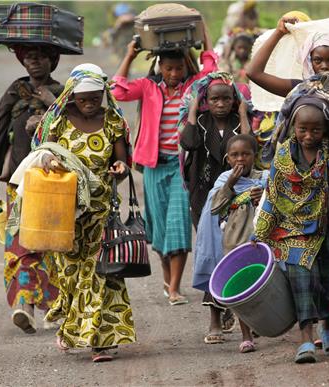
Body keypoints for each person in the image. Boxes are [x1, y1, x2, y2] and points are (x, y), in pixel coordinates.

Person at [254, 92, 329, 364]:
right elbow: (272, 196)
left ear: (327, 129)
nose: (308, 135)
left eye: (316, 129)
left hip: (328, 229)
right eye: (302, 129)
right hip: (292, 231)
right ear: (293, 127)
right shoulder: (283, 156)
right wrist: (259, 233)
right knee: (303, 283)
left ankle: (328, 327)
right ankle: (306, 339)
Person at [34, 63, 136, 362]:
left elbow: (121, 163)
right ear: (72, 98)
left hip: (101, 211)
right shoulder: (59, 123)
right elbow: (41, 155)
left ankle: (100, 342)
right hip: (64, 211)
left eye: (95, 97)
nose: (90, 103)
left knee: (101, 273)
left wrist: (120, 168)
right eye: (83, 99)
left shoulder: (113, 121)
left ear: (103, 95)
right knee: (70, 274)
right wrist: (50, 161)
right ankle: (71, 326)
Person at [112, 25, 218, 305]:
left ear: (185, 66)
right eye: (168, 68)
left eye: (178, 68)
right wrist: (130, 55)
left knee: (178, 224)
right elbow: (118, 91)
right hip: (153, 165)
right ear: (160, 66)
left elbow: (212, 70)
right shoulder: (148, 88)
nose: (174, 74)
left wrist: (205, 39)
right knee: (158, 231)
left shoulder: (194, 87)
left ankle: (174, 288)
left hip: (183, 166)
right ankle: (166, 274)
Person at [0, 44, 63, 334]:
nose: (35, 62)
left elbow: (74, 130)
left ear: (52, 60)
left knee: (55, 247)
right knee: (21, 246)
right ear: (23, 61)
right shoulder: (13, 93)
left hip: (56, 186)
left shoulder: (63, 93)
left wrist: (51, 102)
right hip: (19, 186)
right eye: (29, 57)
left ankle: (57, 306)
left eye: (41, 57)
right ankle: (24, 307)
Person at [193, 134, 267, 351]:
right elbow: (214, 207)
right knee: (241, 288)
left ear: (255, 156)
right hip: (234, 242)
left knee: (260, 286)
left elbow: (276, 203)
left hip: (260, 241)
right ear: (227, 159)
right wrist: (232, 185)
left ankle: (261, 323)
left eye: (245, 154)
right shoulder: (224, 179)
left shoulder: (263, 178)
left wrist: (262, 197)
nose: (240, 159)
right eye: (235, 155)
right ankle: (246, 337)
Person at [179, 72, 252, 227]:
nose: (220, 104)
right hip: (202, 192)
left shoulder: (238, 121)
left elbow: (250, 145)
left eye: (226, 99)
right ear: (206, 100)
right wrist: (193, 110)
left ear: (234, 100)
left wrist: (243, 113)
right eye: (214, 99)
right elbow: (189, 143)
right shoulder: (200, 121)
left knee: (232, 240)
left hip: (235, 191)